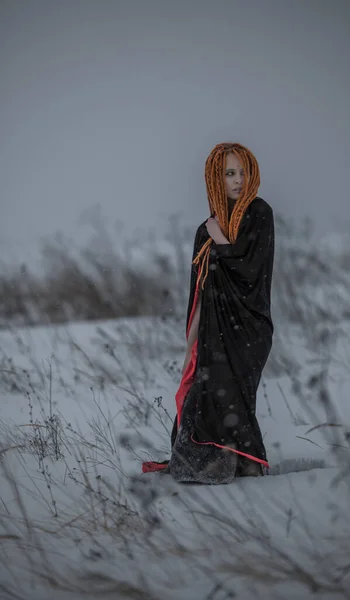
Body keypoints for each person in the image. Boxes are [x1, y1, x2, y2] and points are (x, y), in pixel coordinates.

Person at [142, 142, 275, 484]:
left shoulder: (259, 213)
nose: (238, 180)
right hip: (212, 330)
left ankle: (242, 462)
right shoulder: (205, 229)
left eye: (243, 172)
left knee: (235, 394)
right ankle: (216, 463)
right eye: (229, 173)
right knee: (207, 389)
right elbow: (201, 288)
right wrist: (191, 341)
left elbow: (248, 268)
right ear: (216, 179)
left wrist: (219, 238)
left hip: (249, 326)